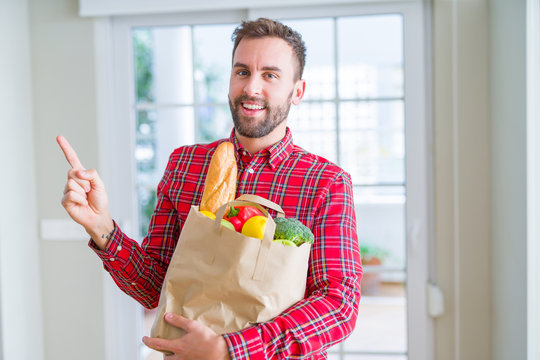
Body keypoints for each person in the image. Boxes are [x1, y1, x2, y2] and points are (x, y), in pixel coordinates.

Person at [58, 18, 362, 359]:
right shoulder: (185, 165)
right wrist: (102, 228)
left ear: (297, 91)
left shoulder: (325, 182)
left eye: (270, 75)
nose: (252, 88)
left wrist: (228, 349)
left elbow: (338, 304)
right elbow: (157, 286)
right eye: (242, 71)